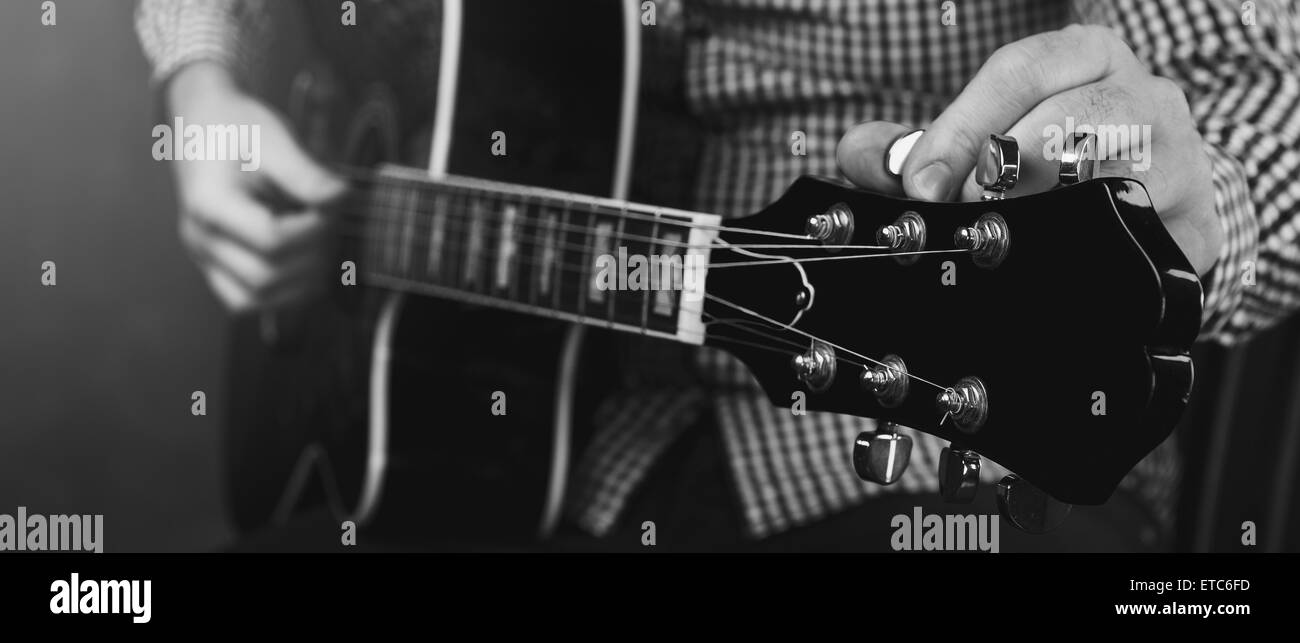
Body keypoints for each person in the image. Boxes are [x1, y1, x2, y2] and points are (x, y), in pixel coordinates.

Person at [136, 0, 1300, 552]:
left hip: (899, 454)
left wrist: (1195, 231)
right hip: (472, 431)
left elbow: (1246, 88)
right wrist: (203, 84)